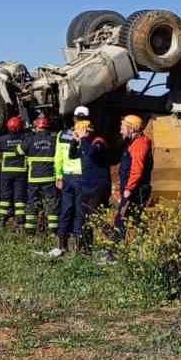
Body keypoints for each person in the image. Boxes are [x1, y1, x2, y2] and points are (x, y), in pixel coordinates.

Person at [54, 107, 111, 255]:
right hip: (73, 178)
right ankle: (67, 245)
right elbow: (72, 155)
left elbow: (91, 154)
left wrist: (83, 139)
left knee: (84, 215)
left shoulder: (96, 141)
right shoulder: (73, 136)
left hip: (85, 182)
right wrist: (75, 141)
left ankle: (85, 247)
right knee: (72, 212)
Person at [112, 114, 153, 239]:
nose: (120, 130)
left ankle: (115, 250)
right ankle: (141, 247)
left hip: (136, 190)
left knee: (121, 218)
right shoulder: (134, 143)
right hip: (134, 189)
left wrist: (129, 188)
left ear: (132, 128)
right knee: (136, 219)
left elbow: (137, 170)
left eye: (123, 127)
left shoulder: (139, 145)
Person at [22, 112, 60, 237]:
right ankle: (53, 231)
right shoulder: (53, 139)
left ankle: (30, 232)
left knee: (32, 204)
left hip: (33, 178)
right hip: (49, 178)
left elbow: (19, 150)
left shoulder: (31, 139)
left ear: (37, 126)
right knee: (51, 203)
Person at [0, 116, 27, 228]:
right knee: (19, 197)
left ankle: (1, 221)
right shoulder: (25, 138)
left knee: (5, 196)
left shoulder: (4, 139)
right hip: (21, 171)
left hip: (7, 171)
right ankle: (20, 221)